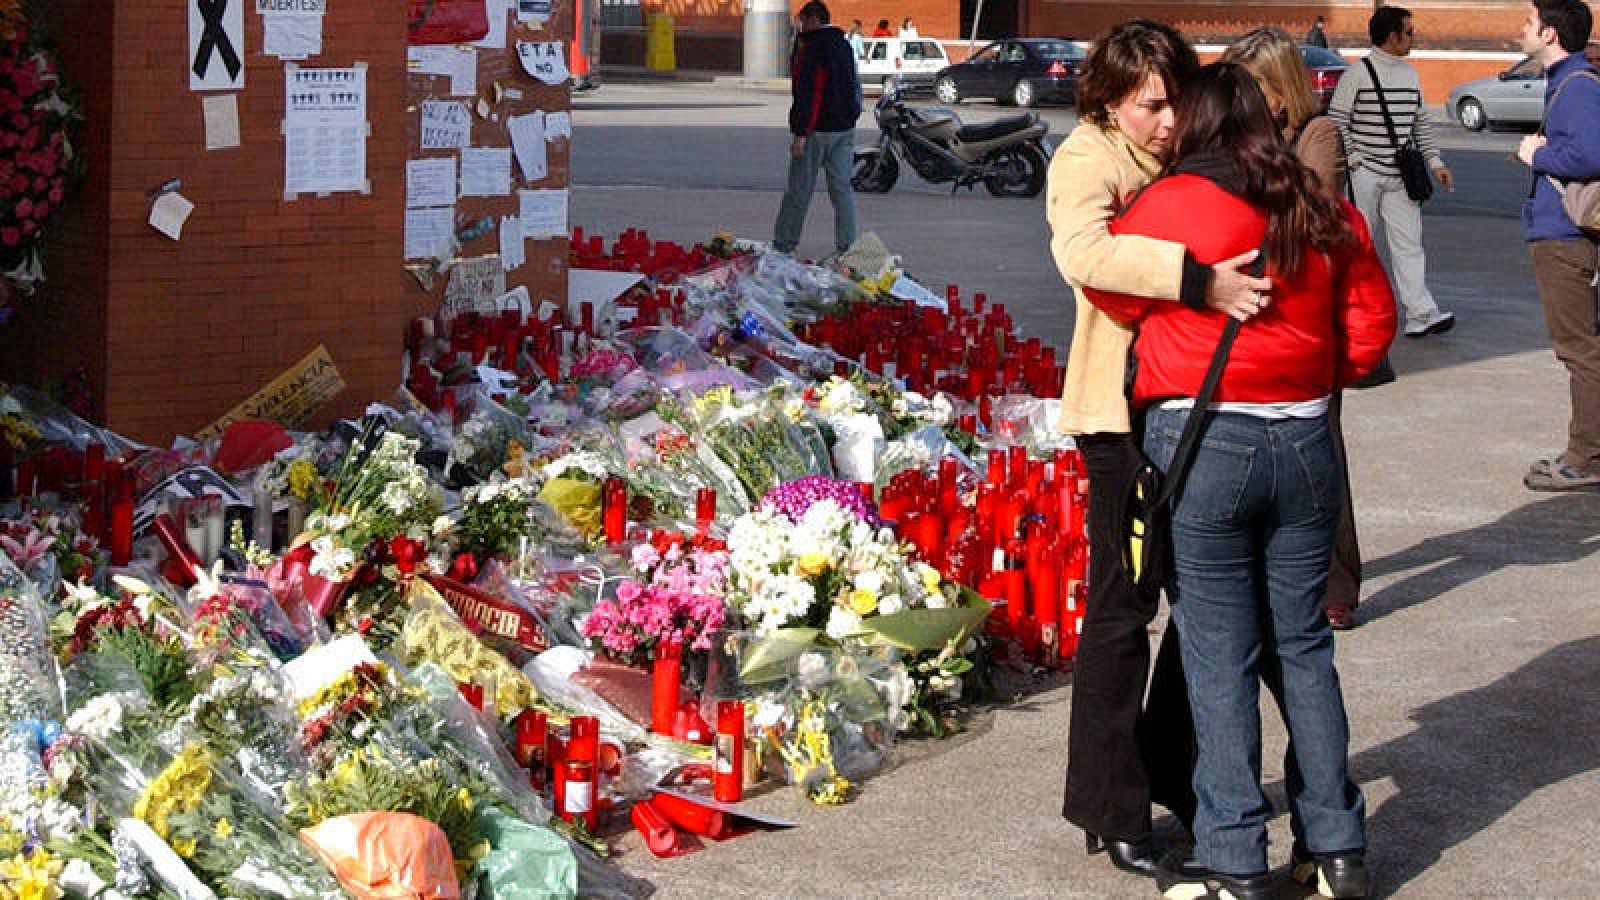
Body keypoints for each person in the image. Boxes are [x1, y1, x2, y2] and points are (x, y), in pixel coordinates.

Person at [1083, 62, 1394, 900]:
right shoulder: (1321, 205)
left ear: (1196, 124)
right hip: (1305, 439)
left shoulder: (1174, 202)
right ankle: (1337, 851)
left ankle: (1234, 859)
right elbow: (1371, 319)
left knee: (1219, 657)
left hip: (1207, 437)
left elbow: (1107, 284)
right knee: (1303, 647)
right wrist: (1322, 368)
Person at [1045, 19, 1272, 880]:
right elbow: (1085, 252)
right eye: (1151, 105)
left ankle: (1173, 773)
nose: (1169, 119)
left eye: (1177, 100)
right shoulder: (1087, 160)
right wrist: (1197, 278)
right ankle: (1111, 804)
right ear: (1108, 99)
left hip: (1187, 407)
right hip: (1117, 418)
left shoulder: (1170, 158)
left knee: (1208, 602)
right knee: (1122, 608)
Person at [1224, 27, 1367, 629]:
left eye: (1253, 88)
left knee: (1317, 453)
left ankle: (1337, 581)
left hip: (1307, 320)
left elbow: (1313, 213)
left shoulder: (1319, 134)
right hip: (1245, 311)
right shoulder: (1238, 138)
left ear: (1281, 87)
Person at [1329, 5, 1457, 339]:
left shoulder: (1410, 74)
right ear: (1392, 37)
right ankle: (1350, 313)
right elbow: (1337, 122)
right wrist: (1355, 160)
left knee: (1410, 244)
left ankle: (1421, 314)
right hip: (1365, 175)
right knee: (1358, 246)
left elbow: (1419, 123)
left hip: (1401, 176)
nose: (1414, 37)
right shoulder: (1357, 74)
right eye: (1409, 32)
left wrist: (1436, 163)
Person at [1517, 0, 1600, 491]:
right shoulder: (1572, 82)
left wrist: (1540, 154)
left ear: (1550, 34)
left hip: (1565, 237)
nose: (1521, 30)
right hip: (1563, 234)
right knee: (1583, 347)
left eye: (1528, 22)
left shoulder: (1576, 87)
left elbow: (1590, 153)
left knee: (1579, 350)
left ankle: (1585, 456)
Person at [772, 0, 861, 258]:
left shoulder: (813, 48)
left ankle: (784, 245)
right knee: (842, 189)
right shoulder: (843, 45)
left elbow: (809, 92)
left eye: (802, 20)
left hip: (816, 130)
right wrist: (851, 117)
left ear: (813, 19)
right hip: (844, 129)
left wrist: (801, 132)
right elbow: (854, 85)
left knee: (799, 189)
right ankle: (847, 248)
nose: (800, 26)